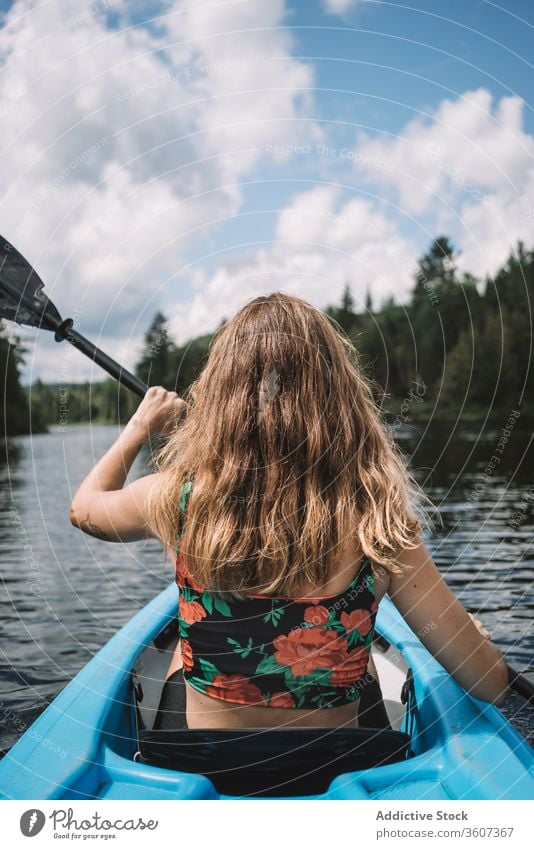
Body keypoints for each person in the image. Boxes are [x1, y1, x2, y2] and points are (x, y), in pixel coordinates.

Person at [70, 293, 508, 731]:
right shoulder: (378, 519)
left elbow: (84, 508)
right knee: (365, 663)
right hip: (338, 761)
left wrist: (140, 426)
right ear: (338, 397)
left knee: (176, 663)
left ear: (221, 398)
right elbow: (491, 684)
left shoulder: (176, 499)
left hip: (200, 759)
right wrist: (470, 638)